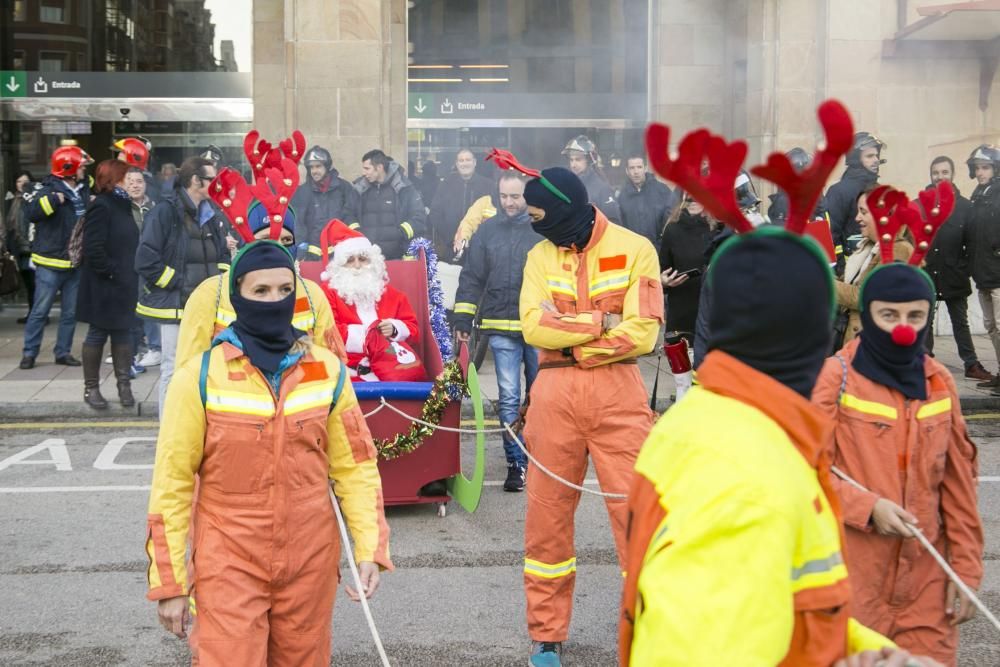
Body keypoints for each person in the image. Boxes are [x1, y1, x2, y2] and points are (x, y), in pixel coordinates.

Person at [621, 227, 935, 666]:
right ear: (810, 334)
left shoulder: (709, 420)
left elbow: (781, 607)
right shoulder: (749, 469)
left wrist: (871, 653)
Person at [146, 240, 392, 665]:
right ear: (238, 294)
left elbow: (355, 466)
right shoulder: (200, 377)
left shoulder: (327, 370)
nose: (274, 300)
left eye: (284, 290)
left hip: (310, 558)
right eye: (260, 291)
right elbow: (172, 484)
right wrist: (169, 582)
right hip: (229, 560)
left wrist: (369, 548)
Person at [512, 159, 661, 666]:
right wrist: (602, 323)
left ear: (562, 208)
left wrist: (574, 342)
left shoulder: (635, 248)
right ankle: (546, 635)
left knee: (636, 514)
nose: (534, 223)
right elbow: (533, 326)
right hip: (554, 398)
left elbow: (644, 332)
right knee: (546, 518)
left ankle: (649, 629)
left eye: (538, 213)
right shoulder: (538, 254)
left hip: (618, 395)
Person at [812, 262, 983, 665]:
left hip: (926, 585)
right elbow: (800, 473)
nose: (902, 328)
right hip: (853, 582)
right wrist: (866, 508)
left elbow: (959, 487)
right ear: (868, 313)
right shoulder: (833, 379)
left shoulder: (939, 382)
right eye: (888, 315)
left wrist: (966, 569)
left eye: (915, 316)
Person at [453, 171, 542, 492]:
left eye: (515, 196)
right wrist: (462, 319)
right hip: (500, 327)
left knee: (541, 398)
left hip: (540, 331)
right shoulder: (487, 231)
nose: (508, 202)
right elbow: (472, 277)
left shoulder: (543, 230)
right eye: (504, 196)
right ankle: (515, 465)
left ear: (527, 196)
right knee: (508, 398)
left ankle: (539, 459)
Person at [176, 202, 345, 369]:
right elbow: (190, 371)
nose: (277, 249)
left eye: (286, 240)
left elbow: (332, 365)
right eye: (267, 239)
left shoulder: (312, 294)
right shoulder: (210, 293)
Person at [135, 157, 230, 418]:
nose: (217, 185)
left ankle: (195, 425)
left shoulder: (210, 214)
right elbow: (145, 260)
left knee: (205, 369)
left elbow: (222, 255)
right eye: (212, 179)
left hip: (206, 308)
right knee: (173, 369)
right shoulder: (165, 212)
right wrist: (178, 282)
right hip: (176, 307)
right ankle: (170, 428)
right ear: (195, 181)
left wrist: (220, 287)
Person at [18, 145, 94, 370]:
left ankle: (63, 352)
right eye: (80, 166)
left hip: (76, 262)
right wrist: (52, 201)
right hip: (50, 263)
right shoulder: (45, 188)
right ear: (68, 168)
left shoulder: (83, 188)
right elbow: (31, 213)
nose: (83, 170)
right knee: (40, 311)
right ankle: (29, 353)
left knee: (70, 313)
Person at [921, 156, 992, 382]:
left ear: (952, 175)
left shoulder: (965, 207)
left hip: (954, 273)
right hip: (928, 272)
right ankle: (925, 362)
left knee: (960, 321)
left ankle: (971, 364)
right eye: (936, 172)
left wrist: (966, 268)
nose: (940, 177)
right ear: (930, 176)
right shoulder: (920, 204)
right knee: (925, 320)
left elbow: (973, 243)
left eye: (944, 172)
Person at [75, 160, 140, 409]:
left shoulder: (122, 205)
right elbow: (93, 248)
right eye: (125, 176)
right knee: (98, 334)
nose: (130, 180)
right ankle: (91, 388)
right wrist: (114, 272)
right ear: (114, 179)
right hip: (104, 286)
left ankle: (124, 385)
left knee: (124, 332)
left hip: (123, 283)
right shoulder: (102, 205)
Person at [319, 221, 419, 380]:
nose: (357, 265)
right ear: (340, 266)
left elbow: (414, 331)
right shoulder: (328, 293)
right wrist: (372, 336)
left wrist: (395, 329)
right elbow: (328, 332)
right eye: (350, 260)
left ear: (373, 263)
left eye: (363, 258)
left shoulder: (394, 295)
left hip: (392, 369)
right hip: (347, 374)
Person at [833, 186, 913, 348]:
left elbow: (864, 296)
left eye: (863, 212)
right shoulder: (867, 248)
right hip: (853, 342)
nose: (857, 218)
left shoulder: (898, 250)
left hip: (874, 347)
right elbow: (846, 287)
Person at [964, 144, 1000, 390]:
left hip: (997, 272)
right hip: (983, 272)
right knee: (991, 326)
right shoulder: (979, 194)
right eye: (977, 168)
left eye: (985, 167)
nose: (980, 172)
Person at [289, 144, 359, 260]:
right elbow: (298, 223)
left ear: (327, 167)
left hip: (341, 253)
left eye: (318, 166)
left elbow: (351, 217)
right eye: (311, 167)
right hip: (312, 256)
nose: (314, 171)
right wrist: (300, 246)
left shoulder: (344, 188)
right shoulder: (302, 192)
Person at [354, 149, 427, 260]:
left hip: (397, 257)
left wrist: (400, 232)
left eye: (367, 168)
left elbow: (419, 217)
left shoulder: (404, 188)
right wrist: (357, 233)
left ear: (379, 167)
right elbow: (348, 215)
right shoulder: (360, 189)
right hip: (366, 259)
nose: (363, 173)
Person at [825, 132, 885, 266]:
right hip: (851, 269)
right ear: (856, 159)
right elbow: (831, 235)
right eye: (869, 156)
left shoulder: (880, 190)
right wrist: (841, 269)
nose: (876, 160)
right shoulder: (839, 191)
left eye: (877, 155)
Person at [658, 194, 713, 336]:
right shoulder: (672, 229)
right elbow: (662, 270)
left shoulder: (717, 229)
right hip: (681, 310)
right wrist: (663, 282)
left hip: (711, 310)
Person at [427, 149, 494, 259]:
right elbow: (435, 213)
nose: (464, 163)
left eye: (468, 160)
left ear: (474, 162)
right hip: (451, 247)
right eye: (461, 160)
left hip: (480, 250)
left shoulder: (488, 185)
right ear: (457, 164)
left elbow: (495, 216)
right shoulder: (446, 185)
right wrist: (450, 237)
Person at [615, 153, 677, 248]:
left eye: (639, 167)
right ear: (627, 171)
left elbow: (672, 219)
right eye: (632, 168)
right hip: (633, 250)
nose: (636, 172)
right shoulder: (622, 196)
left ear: (645, 168)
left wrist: (662, 244)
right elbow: (619, 226)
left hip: (657, 249)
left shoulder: (662, 190)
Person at [561, 135, 621, 224]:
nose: (573, 165)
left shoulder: (602, 189)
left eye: (578, 159)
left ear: (589, 160)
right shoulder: (564, 186)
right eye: (571, 160)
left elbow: (613, 223)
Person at [4, 170, 36, 324]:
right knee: (28, 283)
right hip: (18, 247)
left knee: (34, 284)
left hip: (31, 247)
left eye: (25, 181)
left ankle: (37, 315)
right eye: (19, 181)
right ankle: (34, 314)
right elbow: (10, 225)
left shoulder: (34, 199)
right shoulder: (13, 200)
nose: (22, 184)